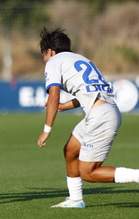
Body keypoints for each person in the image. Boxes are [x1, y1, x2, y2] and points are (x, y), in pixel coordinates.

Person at [37, 27, 139, 208]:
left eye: (43, 54)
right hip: (103, 111)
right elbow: (88, 93)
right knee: (70, 150)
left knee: (88, 173)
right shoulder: (80, 58)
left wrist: (46, 130)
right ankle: (75, 199)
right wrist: (63, 107)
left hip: (100, 116)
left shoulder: (53, 62)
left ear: (50, 51)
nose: (44, 59)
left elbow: (53, 95)